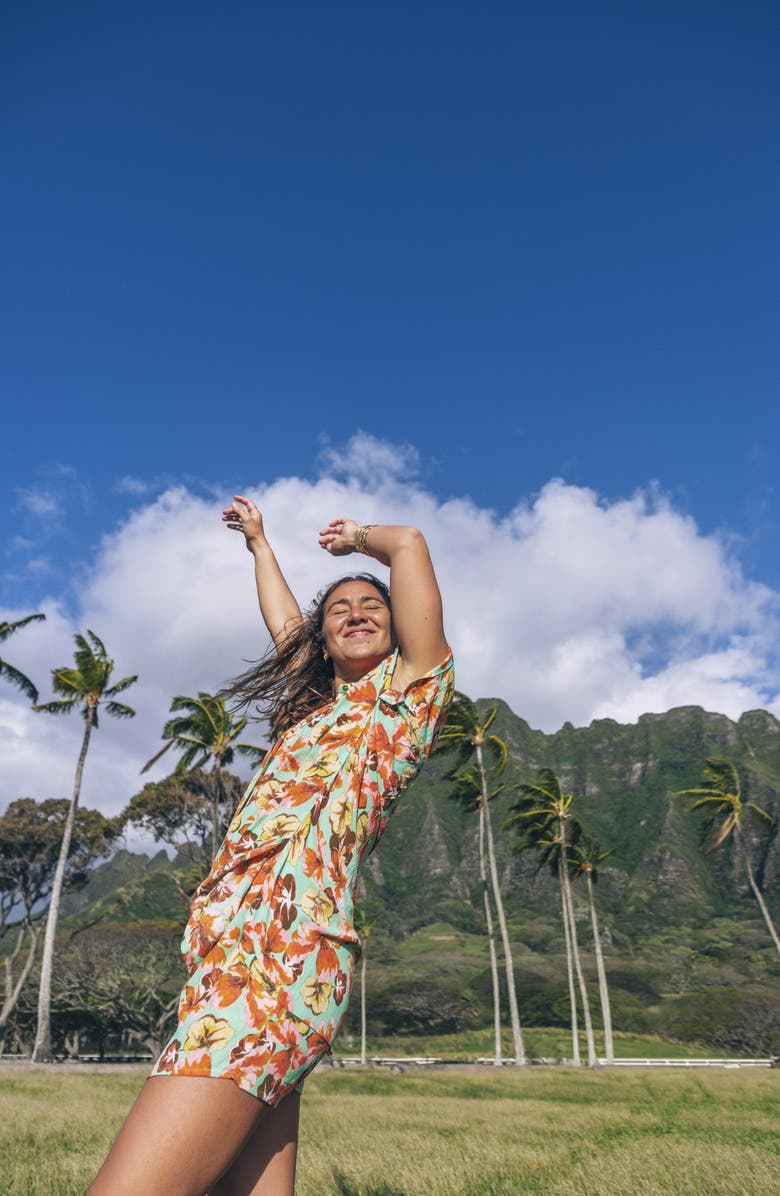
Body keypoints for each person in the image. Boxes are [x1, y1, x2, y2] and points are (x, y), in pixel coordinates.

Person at [88, 496, 454, 1196]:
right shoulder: (311, 711)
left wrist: (356, 541)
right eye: (337, 609)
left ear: (400, 624)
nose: (354, 612)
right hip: (229, 954)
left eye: (369, 605)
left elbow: (407, 543)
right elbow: (286, 626)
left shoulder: (406, 702)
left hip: (283, 958)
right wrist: (259, 543)